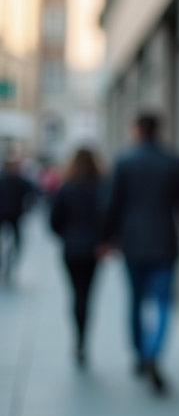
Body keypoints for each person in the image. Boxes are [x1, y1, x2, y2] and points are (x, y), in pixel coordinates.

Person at [102, 113, 179, 393]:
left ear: (137, 130)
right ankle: (153, 353)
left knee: (135, 300)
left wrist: (105, 239)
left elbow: (112, 204)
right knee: (162, 302)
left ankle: (140, 355)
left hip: (132, 243)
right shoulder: (174, 161)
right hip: (164, 242)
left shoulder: (124, 161)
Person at [50, 148, 106, 366]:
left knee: (76, 294)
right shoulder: (100, 188)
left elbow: (54, 222)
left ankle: (78, 338)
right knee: (87, 295)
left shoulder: (66, 188)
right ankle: (83, 338)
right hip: (92, 250)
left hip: (72, 249)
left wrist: (67, 236)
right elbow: (106, 217)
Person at [0, 156, 36, 285]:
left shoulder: (20, 181)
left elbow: (32, 194)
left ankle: (11, 262)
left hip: (14, 215)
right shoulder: (7, 179)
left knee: (16, 241)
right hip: (5, 214)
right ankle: (7, 262)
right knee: (13, 240)